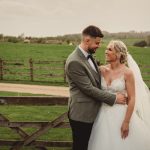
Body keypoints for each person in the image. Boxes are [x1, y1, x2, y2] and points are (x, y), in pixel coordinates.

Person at [65, 26, 127, 150]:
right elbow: (88, 89)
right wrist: (114, 98)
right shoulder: (74, 61)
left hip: (95, 113)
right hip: (82, 114)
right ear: (87, 40)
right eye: (97, 43)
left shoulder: (89, 55)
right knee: (81, 146)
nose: (99, 46)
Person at [88, 40, 150, 150]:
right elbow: (93, 90)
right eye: (106, 49)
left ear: (118, 54)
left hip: (121, 116)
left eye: (109, 49)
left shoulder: (128, 73)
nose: (106, 51)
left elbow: (132, 99)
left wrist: (126, 122)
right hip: (102, 115)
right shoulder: (101, 70)